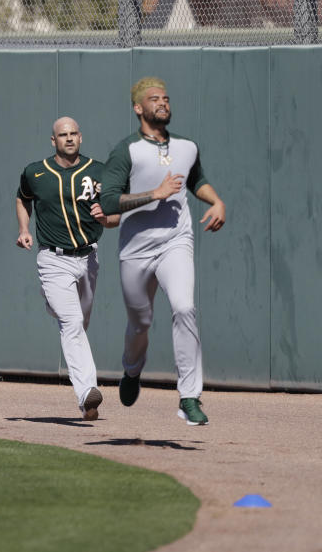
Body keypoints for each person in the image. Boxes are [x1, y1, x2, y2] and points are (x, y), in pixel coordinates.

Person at [101, 77, 226, 426]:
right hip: (136, 250)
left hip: (176, 241)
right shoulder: (126, 150)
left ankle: (189, 396)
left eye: (166, 98)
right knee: (140, 323)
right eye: (154, 99)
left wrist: (216, 201)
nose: (163, 103)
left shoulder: (187, 146)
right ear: (138, 108)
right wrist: (153, 194)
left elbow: (196, 180)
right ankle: (131, 370)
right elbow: (108, 200)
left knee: (185, 307)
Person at [16, 117, 119, 420]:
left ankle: (54, 305)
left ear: (81, 137)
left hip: (88, 258)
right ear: (53, 141)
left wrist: (106, 219)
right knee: (72, 323)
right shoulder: (35, 172)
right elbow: (23, 199)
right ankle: (87, 393)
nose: (69, 138)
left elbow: (115, 218)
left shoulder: (99, 172)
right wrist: (24, 228)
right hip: (53, 258)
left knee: (79, 322)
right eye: (63, 134)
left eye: (74, 133)